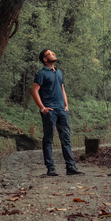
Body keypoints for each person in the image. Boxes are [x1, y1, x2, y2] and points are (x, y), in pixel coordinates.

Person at [31, 48, 83, 176]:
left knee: (66, 138)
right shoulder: (41, 74)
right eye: (50, 53)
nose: (53, 54)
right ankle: (50, 168)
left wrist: (66, 105)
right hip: (50, 110)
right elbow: (34, 91)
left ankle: (70, 167)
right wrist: (42, 108)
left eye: (53, 53)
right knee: (48, 139)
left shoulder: (59, 72)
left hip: (62, 110)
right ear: (45, 59)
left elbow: (62, 89)